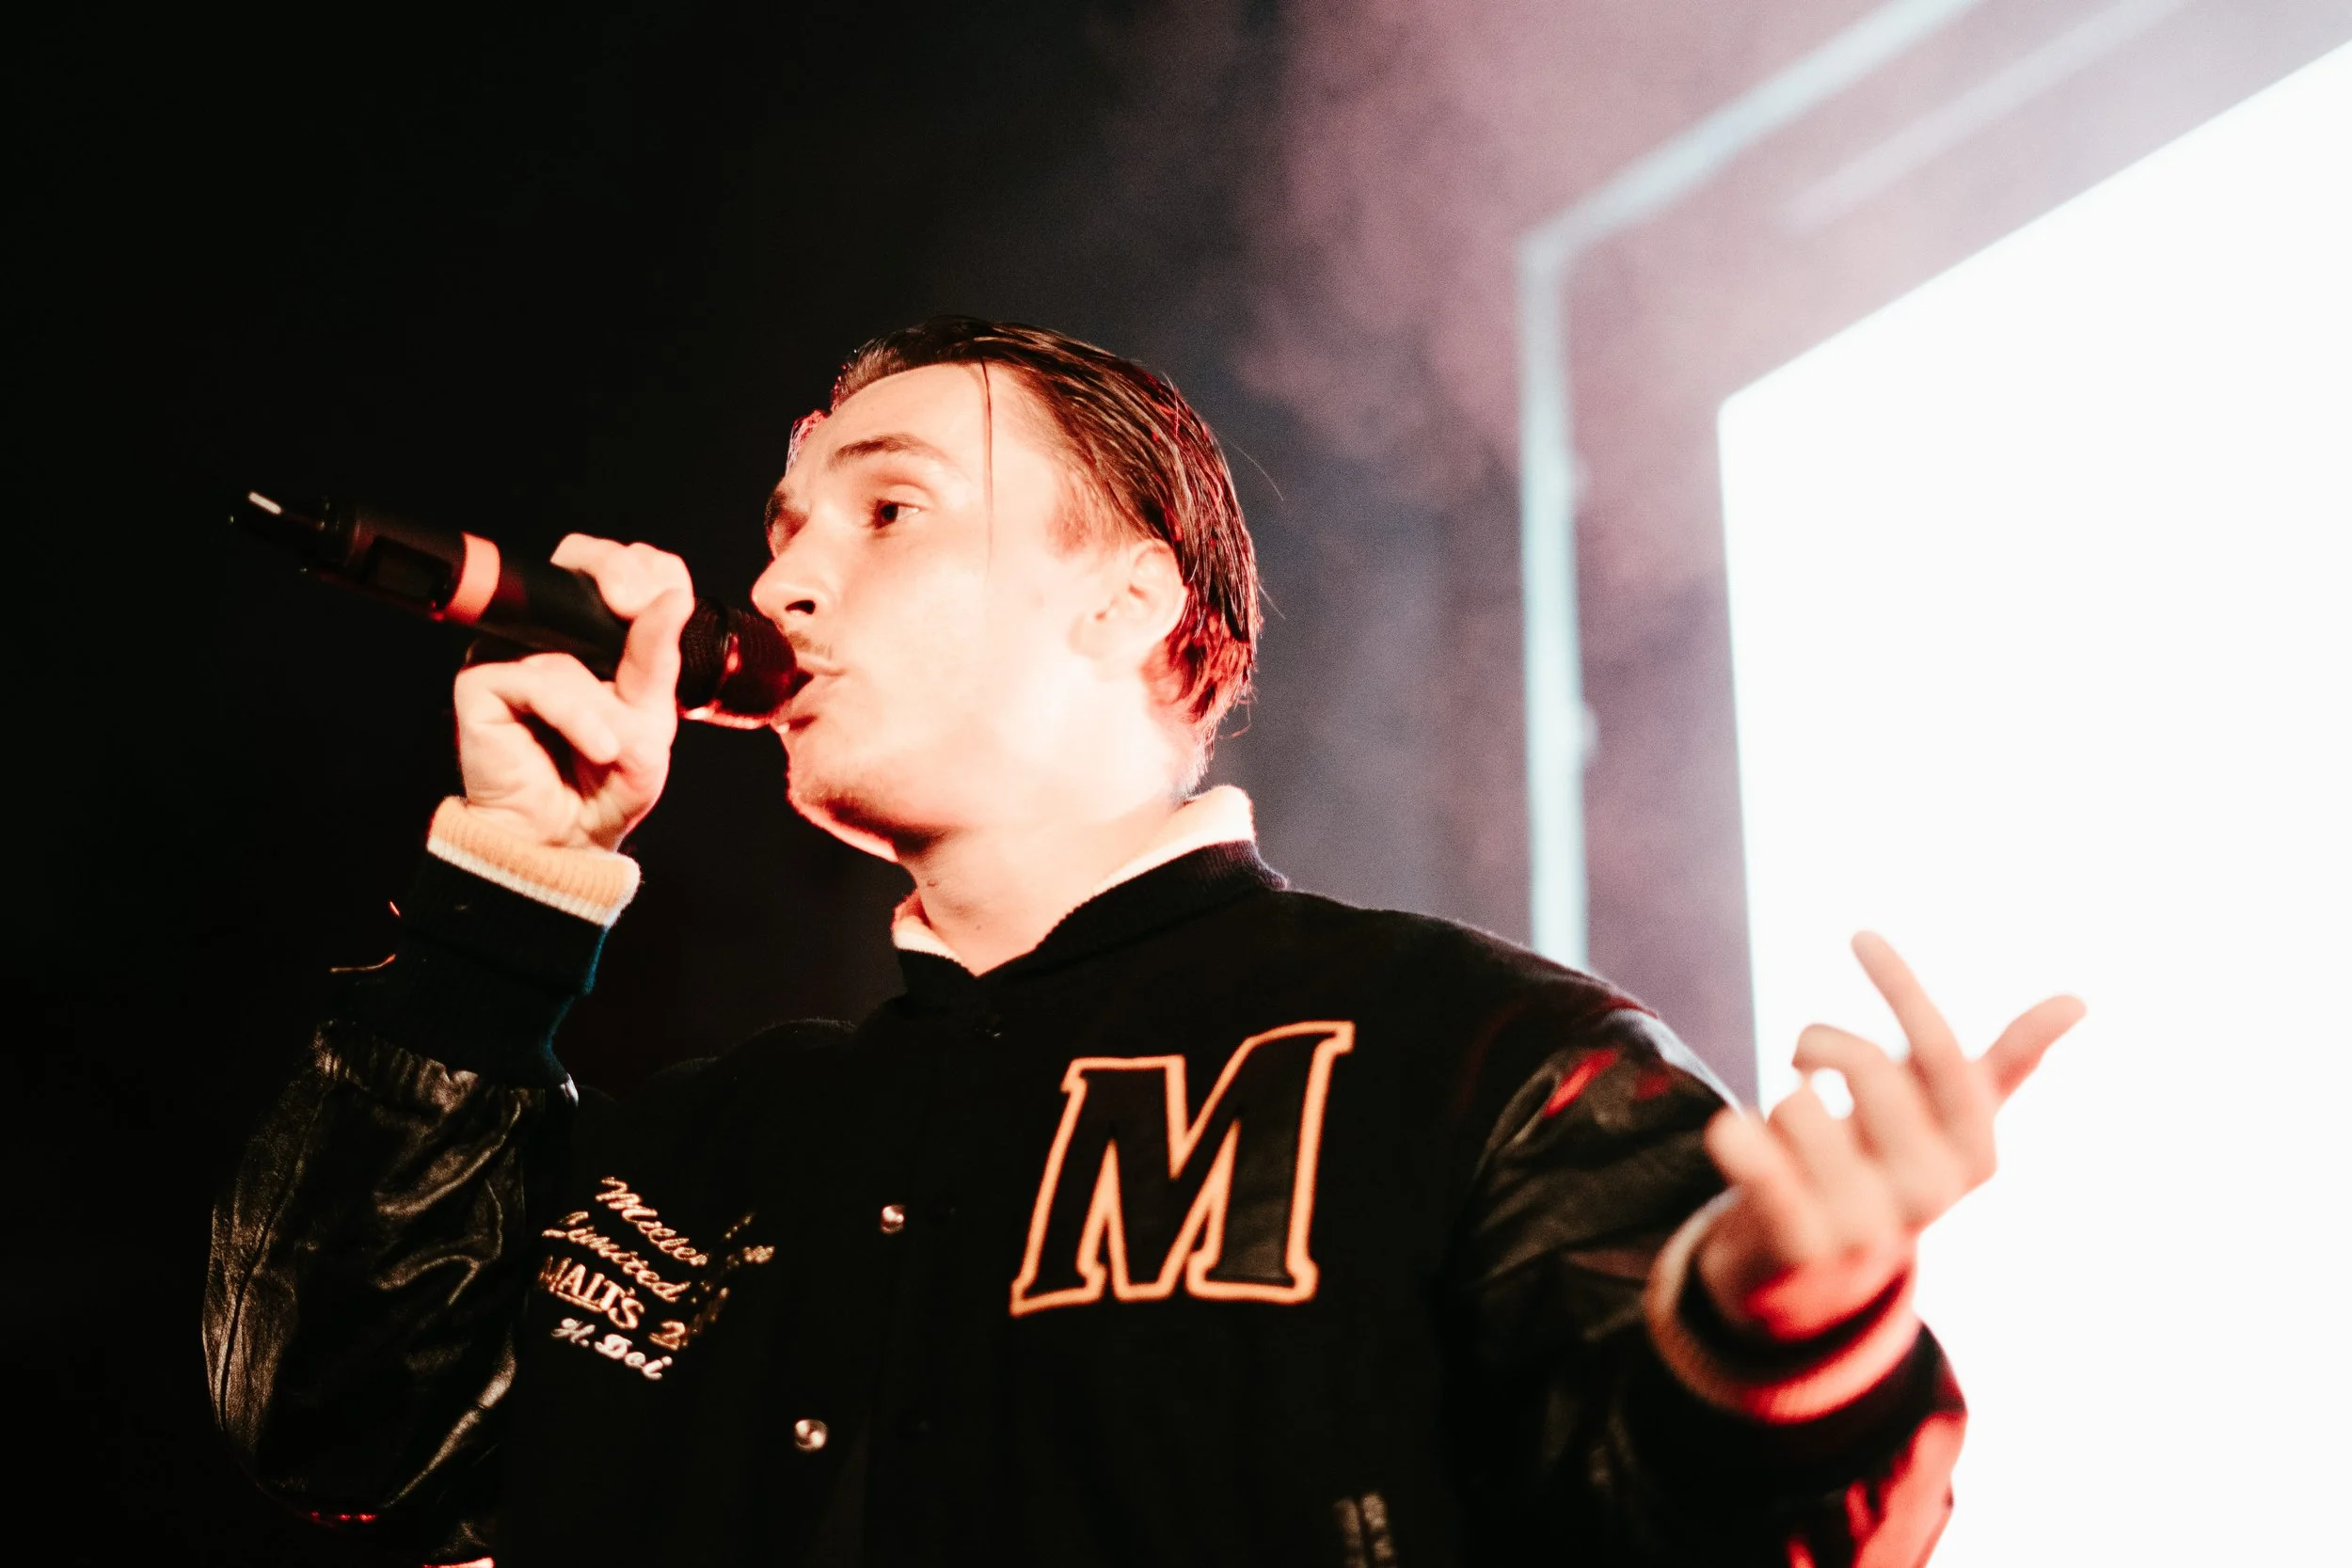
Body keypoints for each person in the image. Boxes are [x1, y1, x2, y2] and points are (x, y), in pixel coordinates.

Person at [205, 318, 2081, 1567]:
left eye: (885, 510)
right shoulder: (712, 1151)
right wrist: (511, 882)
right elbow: (337, 1412)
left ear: (1123, 602)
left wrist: (1780, 1343)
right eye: (780, 527)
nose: (777, 578)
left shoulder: (1465, 1052)